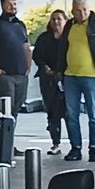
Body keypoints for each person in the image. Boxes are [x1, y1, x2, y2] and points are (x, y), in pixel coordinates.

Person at [55, 0, 95, 163]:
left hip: (91, 76)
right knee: (71, 114)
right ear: (72, 11)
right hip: (71, 76)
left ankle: (93, 148)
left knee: (93, 115)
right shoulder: (69, 26)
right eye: (78, 10)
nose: (82, 13)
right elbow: (63, 47)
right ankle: (75, 147)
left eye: (85, 9)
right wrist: (60, 70)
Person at [32, 9, 68, 154]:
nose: (56, 22)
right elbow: (36, 55)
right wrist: (44, 67)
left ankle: (75, 144)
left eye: (59, 19)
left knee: (68, 112)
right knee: (52, 111)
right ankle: (55, 142)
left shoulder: (69, 37)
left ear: (65, 21)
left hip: (67, 78)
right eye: (53, 19)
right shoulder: (44, 38)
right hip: (48, 79)